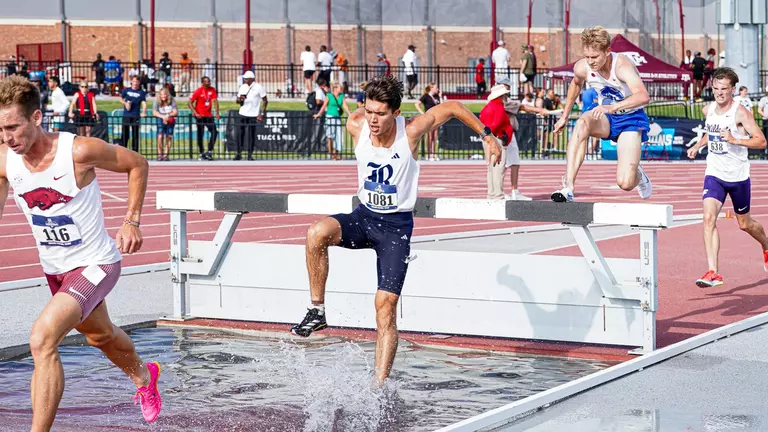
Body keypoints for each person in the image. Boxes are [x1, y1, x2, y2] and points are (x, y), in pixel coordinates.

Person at [290, 75, 502, 385]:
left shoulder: (411, 132)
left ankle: (379, 383)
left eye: (381, 114)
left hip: (394, 229)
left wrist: (487, 134)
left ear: (396, 114)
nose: (373, 120)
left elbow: (454, 107)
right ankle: (317, 310)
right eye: (370, 111)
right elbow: (359, 117)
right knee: (316, 233)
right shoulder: (356, 125)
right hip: (363, 218)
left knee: (385, 305)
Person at [0, 75, 161, 430]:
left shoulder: (78, 151)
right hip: (55, 269)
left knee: (42, 339)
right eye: (0, 129)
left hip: (96, 262)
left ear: (37, 118)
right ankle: (146, 379)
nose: (7, 137)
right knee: (99, 335)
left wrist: (132, 220)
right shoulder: (6, 160)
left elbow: (137, 164)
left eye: (13, 127)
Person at [685, 67, 768, 287]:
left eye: (724, 89)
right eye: (716, 88)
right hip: (715, 173)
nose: (719, 93)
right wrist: (698, 145)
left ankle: (766, 247)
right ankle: (713, 272)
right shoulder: (708, 109)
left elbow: (761, 141)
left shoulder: (740, 113)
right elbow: (709, 133)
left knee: (745, 224)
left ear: (732, 89)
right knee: (708, 219)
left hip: (738, 176)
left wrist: (735, 140)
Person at [551, 26, 652, 203]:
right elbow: (575, 84)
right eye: (587, 56)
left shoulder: (621, 66)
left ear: (607, 51)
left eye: (595, 57)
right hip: (605, 117)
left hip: (630, 119)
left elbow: (643, 96)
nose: (591, 62)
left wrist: (613, 107)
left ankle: (638, 173)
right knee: (582, 123)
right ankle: (568, 187)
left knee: (625, 183)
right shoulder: (583, 67)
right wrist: (564, 116)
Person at [495, 77, 550, 200]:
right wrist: (539, 110)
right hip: (502, 133)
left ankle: (513, 191)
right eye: (507, 86)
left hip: (507, 133)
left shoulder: (502, 99)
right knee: (501, 164)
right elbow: (523, 107)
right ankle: (500, 192)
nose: (508, 89)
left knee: (514, 162)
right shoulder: (499, 100)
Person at [313, 81, 352, 160]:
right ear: (335, 89)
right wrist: (318, 115)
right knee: (330, 136)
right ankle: (330, 153)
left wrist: (350, 115)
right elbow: (323, 107)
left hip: (337, 117)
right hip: (330, 117)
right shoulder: (329, 96)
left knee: (339, 136)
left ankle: (336, 153)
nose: (341, 89)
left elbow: (346, 107)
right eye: (339, 88)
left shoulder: (342, 96)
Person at [236, 70, 267, 160]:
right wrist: (240, 99)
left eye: (246, 79)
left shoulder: (259, 87)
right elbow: (237, 101)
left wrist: (261, 113)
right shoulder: (242, 87)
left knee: (251, 135)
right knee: (240, 134)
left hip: (253, 114)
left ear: (251, 79)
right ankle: (239, 153)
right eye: (244, 79)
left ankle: (250, 154)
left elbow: (265, 100)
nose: (244, 80)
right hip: (242, 113)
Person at [189, 76, 221, 161]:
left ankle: (209, 151)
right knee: (200, 134)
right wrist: (196, 113)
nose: (208, 83)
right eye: (206, 81)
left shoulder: (212, 90)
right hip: (200, 116)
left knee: (214, 131)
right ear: (202, 83)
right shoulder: (198, 91)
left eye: (209, 81)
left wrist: (217, 113)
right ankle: (201, 152)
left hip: (208, 115)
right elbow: (189, 103)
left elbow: (215, 102)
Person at [153, 87, 178, 161]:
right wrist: (163, 117)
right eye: (161, 95)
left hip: (170, 119)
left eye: (164, 95)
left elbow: (175, 111)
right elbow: (154, 112)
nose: (163, 96)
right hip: (161, 119)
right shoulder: (157, 101)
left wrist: (168, 115)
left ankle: (166, 154)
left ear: (167, 95)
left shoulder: (172, 100)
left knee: (169, 136)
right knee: (160, 136)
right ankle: (160, 154)